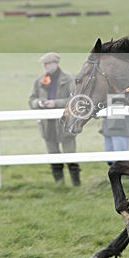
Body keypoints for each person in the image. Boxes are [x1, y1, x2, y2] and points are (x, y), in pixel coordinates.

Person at [28, 52, 81, 186]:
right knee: (53, 156)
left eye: (48, 64)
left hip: (65, 124)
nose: (45, 66)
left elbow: (74, 100)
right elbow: (31, 99)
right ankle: (59, 185)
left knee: (70, 156)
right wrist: (39, 103)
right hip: (47, 125)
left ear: (55, 64)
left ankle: (76, 184)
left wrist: (55, 103)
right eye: (44, 64)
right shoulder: (40, 80)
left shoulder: (68, 79)